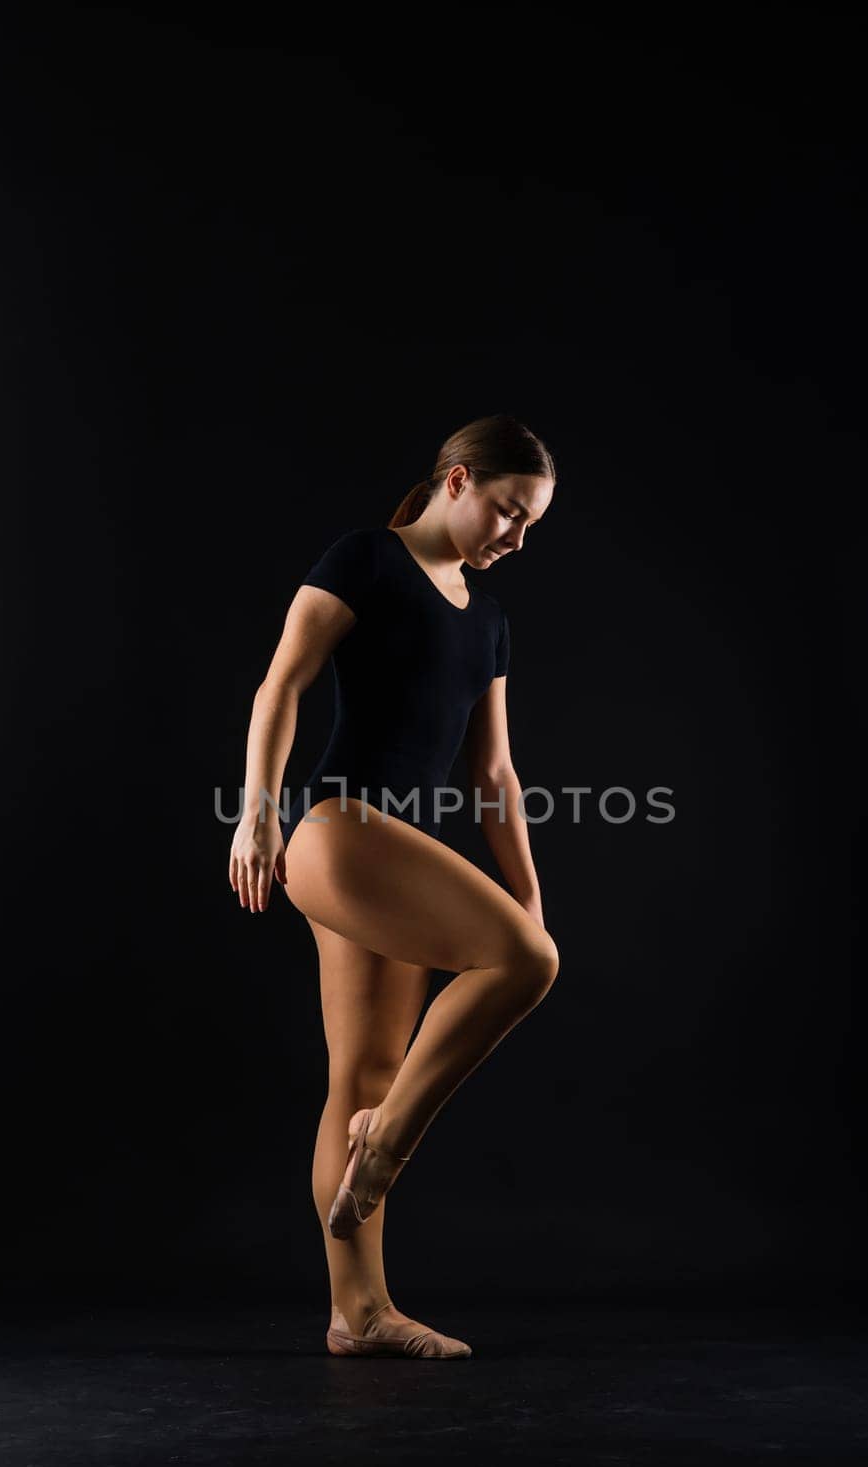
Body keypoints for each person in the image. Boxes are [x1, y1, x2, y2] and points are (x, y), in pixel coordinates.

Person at [228, 414, 559, 1359]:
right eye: (506, 511)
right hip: (334, 832)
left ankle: (357, 1313)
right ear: (456, 481)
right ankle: (384, 1148)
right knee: (523, 966)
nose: (514, 538)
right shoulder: (365, 559)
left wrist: (525, 893)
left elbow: (492, 775)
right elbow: (280, 684)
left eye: (530, 525)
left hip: (395, 851)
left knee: (366, 1074)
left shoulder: (488, 621)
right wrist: (256, 812)